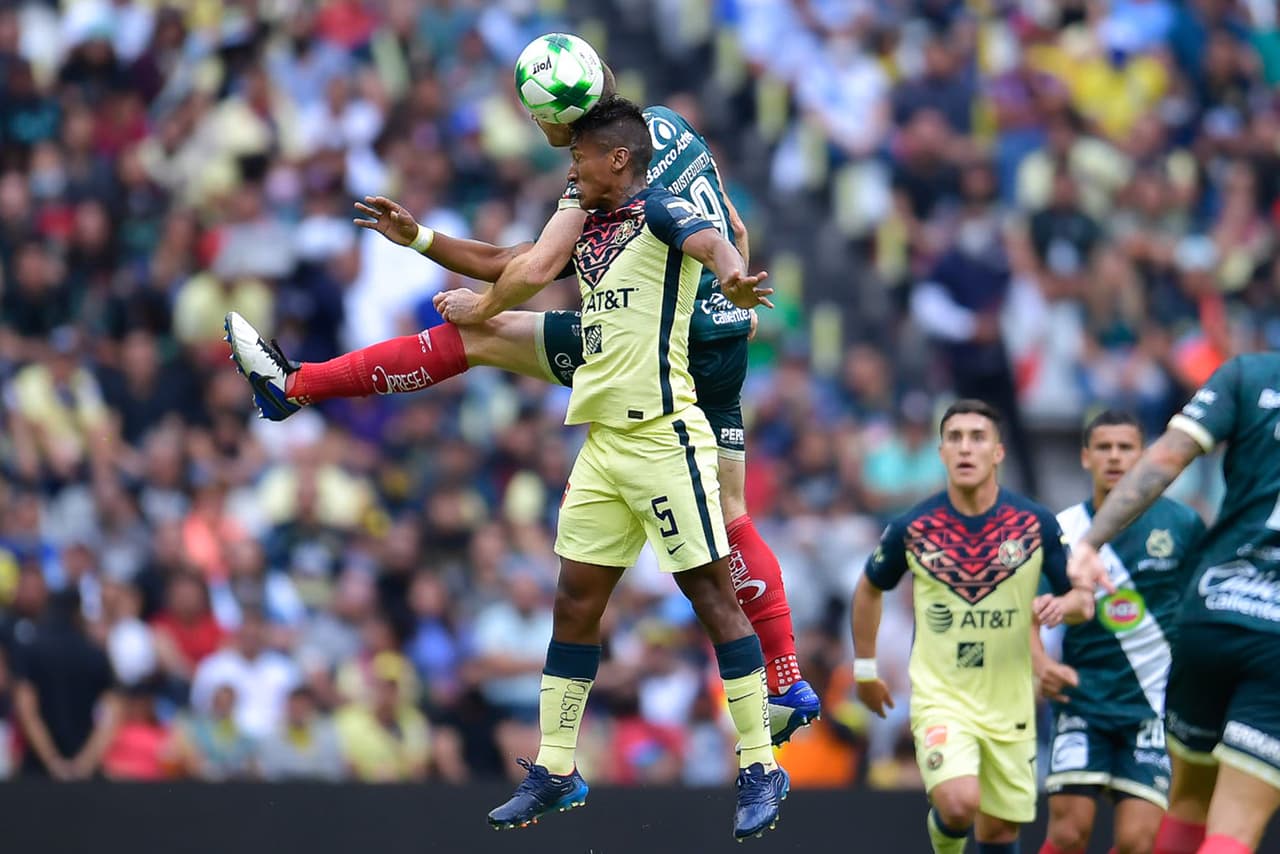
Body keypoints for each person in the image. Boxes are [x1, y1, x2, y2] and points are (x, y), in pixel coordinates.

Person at [224, 60, 820, 745]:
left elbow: (531, 265)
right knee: (733, 511)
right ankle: (787, 677)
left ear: (560, 122)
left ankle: (295, 385)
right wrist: (736, 278)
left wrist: (478, 301)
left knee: (482, 335)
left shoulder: (593, 185)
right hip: (723, 339)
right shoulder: (672, 129)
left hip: (654, 348)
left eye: (544, 123)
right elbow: (730, 224)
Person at [395, 96, 778, 835]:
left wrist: (733, 276)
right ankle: (558, 768)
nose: (570, 167)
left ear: (618, 160)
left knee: (710, 597)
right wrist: (418, 237)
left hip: (666, 437)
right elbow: (509, 263)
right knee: (573, 602)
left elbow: (711, 244)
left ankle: (760, 765)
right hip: (603, 446)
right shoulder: (591, 227)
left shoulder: (659, 211)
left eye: (579, 157)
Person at [852, 399, 1091, 853]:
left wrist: (1070, 607)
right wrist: (865, 670)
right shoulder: (914, 526)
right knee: (960, 803)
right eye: (955, 438)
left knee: (999, 831)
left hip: (1011, 703)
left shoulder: (1034, 523)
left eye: (977, 437)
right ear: (940, 452)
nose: (965, 448)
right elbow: (868, 588)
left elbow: (1079, 598)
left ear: (998, 452)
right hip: (943, 699)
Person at [1067, 353, 1280, 854]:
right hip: (1276, 643)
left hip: (1212, 612)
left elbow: (1165, 458)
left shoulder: (1249, 374)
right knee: (1235, 829)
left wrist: (1090, 542)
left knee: (1186, 802)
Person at [1036, 410, 1205, 854]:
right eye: (1104, 447)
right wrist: (1040, 664)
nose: (1114, 457)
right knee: (1069, 834)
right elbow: (1026, 612)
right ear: (1085, 457)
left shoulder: (1182, 525)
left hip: (1152, 706)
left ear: (1144, 455)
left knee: (1136, 841)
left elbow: (1199, 611)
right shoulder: (1063, 529)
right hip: (1082, 700)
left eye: (1125, 447)